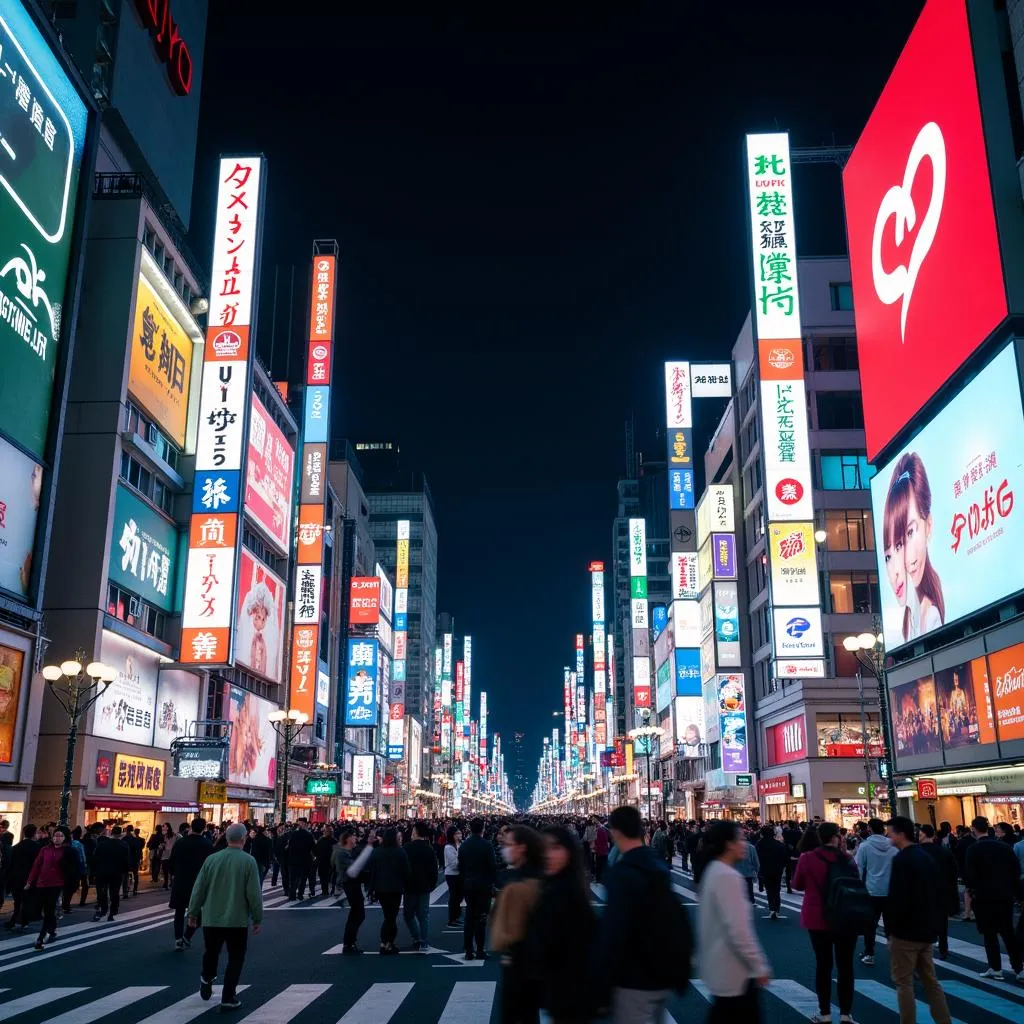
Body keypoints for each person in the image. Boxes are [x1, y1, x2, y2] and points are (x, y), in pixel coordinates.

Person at [596, 806, 691, 1023]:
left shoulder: (622, 872)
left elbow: (614, 932)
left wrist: (601, 980)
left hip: (633, 977)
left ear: (615, 832)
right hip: (663, 971)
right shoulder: (657, 863)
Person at [698, 820, 771, 1023]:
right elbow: (739, 931)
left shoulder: (712, 870)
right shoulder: (728, 876)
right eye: (740, 838)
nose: (744, 843)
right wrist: (759, 965)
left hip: (720, 969)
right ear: (729, 844)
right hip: (736, 973)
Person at [188, 822, 263, 1013]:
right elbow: (254, 893)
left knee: (211, 951)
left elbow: (198, 889)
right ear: (244, 839)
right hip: (237, 919)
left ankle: (206, 977)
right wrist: (257, 918)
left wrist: (193, 913)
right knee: (236, 957)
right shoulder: (248, 861)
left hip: (211, 917)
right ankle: (228, 997)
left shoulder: (212, 859)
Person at [885, 817, 952, 1024]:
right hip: (926, 928)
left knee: (903, 982)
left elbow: (898, 898)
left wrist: (891, 931)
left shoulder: (902, 860)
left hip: (906, 931)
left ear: (900, 834)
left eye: (890, 832)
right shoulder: (925, 856)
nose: (888, 835)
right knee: (931, 981)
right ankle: (944, 1020)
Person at [525, 826, 596, 1023]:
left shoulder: (567, 894)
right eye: (544, 848)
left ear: (569, 852)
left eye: (555, 848)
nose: (548, 854)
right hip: (558, 993)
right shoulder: (553, 886)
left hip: (569, 993)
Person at [792, 822, 858, 1024]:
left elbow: (797, 884)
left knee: (824, 965)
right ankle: (846, 1014)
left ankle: (825, 1012)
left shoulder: (807, 858)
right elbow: (855, 883)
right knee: (846, 966)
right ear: (837, 837)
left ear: (819, 837)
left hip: (817, 917)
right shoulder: (847, 859)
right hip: (845, 917)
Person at [490, 825, 544, 1024]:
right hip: (529, 963)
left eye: (509, 844)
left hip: (521, 962)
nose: (504, 847)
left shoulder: (517, 882)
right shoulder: (538, 876)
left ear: (522, 848)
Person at [964, 815, 1024, 980]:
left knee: (989, 934)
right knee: (1008, 933)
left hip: (984, 896)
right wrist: (1017, 894)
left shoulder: (973, 849)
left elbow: (969, 875)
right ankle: (1019, 968)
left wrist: (971, 891)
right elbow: (1015, 871)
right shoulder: (1004, 847)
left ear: (974, 829)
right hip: (1004, 895)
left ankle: (995, 968)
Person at [25, 827, 77, 950]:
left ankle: (41, 937)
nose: (57, 838)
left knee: (49, 909)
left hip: (57, 884)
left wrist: (72, 885)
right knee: (43, 908)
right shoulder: (45, 849)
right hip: (42, 883)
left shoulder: (69, 851)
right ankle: (52, 929)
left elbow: (74, 870)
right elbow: (37, 866)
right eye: (55, 836)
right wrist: (29, 881)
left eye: (60, 836)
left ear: (65, 838)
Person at [854, 817, 897, 966]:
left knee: (870, 925)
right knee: (891, 926)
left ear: (869, 829)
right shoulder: (893, 847)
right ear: (883, 829)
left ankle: (869, 953)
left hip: (871, 890)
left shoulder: (865, 847)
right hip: (890, 891)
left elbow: (859, 868)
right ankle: (897, 955)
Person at [169, 818, 213, 951]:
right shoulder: (207, 844)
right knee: (198, 913)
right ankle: (187, 936)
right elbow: (210, 866)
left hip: (181, 881)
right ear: (204, 828)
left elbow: (172, 862)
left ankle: (178, 939)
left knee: (179, 911)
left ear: (191, 827)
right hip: (199, 883)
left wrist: (174, 874)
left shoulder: (181, 842)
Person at [458, 817, 497, 960]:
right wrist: (492, 882)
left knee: (469, 916)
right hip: (483, 886)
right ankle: (480, 949)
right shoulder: (487, 845)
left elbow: (460, 866)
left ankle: (468, 950)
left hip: (469, 885)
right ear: (483, 828)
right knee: (481, 918)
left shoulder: (464, 845)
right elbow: (493, 866)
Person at [918, 823, 959, 959]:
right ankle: (943, 948)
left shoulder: (917, 852)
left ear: (923, 835)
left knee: (922, 921)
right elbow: (953, 873)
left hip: (922, 892)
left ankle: (924, 951)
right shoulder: (944, 851)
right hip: (942, 890)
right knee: (942, 921)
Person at [369, 828, 409, 955]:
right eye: (398, 837)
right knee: (391, 916)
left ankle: (385, 943)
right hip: (395, 888)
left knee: (388, 915)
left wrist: (371, 888)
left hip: (380, 888)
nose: (400, 839)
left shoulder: (377, 852)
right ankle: (387, 943)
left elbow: (372, 870)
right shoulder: (400, 852)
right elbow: (407, 871)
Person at [403, 820, 438, 951]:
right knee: (423, 915)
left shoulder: (407, 847)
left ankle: (416, 936)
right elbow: (434, 869)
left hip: (409, 886)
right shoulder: (429, 849)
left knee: (408, 914)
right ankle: (423, 941)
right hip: (424, 886)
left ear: (415, 832)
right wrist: (432, 884)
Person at [335, 830, 369, 954]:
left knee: (356, 914)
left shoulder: (345, 852)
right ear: (348, 839)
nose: (356, 839)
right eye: (354, 837)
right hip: (350, 884)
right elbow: (353, 868)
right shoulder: (342, 853)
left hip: (351, 884)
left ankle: (350, 941)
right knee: (358, 914)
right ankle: (349, 943)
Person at [91, 823, 130, 922]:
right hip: (116, 872)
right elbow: (126, 860)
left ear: (111, 833)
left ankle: (102, 909)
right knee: (114, 893)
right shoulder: (124, 845)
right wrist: (125, 870)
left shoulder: (103, 844)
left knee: (102, 892)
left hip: (102, 872)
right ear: (121, 834)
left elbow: (95, 858)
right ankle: (112, 912)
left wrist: (94, 871)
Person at [5, 824, 39, 933]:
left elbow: (11, 863)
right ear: (34, 834)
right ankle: (23, 921)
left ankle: (15, 920)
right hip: (29, 878)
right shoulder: (37, 848)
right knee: (27, 900)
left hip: (16, 877)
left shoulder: (17, 847)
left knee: (17, 901)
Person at [755, 825, 790, 920]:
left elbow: (757, 858)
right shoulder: (779, 845)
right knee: (776, 890)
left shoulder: (759, 845)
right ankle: (777, 909)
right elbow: (785, 859)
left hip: (765, 869)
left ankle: (772, 909)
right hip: (777, 869)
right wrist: (782, 867)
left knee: (769, 890)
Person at [285, 819, 316, 900]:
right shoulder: (308, 835)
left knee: (293, 878)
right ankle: (300, 894)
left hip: (293, 860)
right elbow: (313, 847)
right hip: (305, 860)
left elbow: (289, 846)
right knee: (303, 878)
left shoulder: (293, 834)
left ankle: (292, 895)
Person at [444, 826, 463, 926]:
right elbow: (454, 864)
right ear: (452, 835)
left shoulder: (459, 844)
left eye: (460, 833)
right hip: (452, 875)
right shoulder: (448, 847)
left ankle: (457, 917)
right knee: (454, 897)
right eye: (457, 834)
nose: (459, 835)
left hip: (458, 874)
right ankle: (452, 919)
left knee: (458, 897)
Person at [122, 825, 143, 898]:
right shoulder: (136, 839)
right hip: (134, 860)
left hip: (125, 860)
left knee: (125, 876)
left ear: (126, 830)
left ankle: (125, 892)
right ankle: (135, 889)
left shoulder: (124, 839)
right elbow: (138, 849)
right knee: (135, 874)